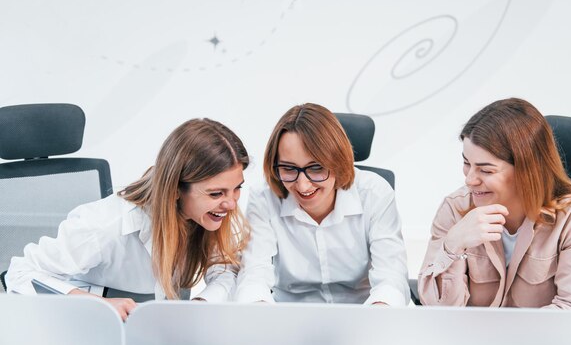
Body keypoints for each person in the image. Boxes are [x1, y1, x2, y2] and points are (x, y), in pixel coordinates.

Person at [6, 118, 250, 320]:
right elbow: (20, 273)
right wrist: (98, 305)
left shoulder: (207, 216)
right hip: (92, 332)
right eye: (216, 193)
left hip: (156, 330)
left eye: (236, 188)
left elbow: (225, 269)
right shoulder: (107, 224)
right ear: (175, 188)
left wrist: (202, 302)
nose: (231, 203)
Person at [418, 98, 571, 309]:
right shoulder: (455, 209)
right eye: (467, 163)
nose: (469, 179)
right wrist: (452, 246)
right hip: (469, 340)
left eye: (486, 170)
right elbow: (438, 313)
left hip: (541, 342)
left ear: (527, 170)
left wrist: (501, 338)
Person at [235, 103, 410, 306]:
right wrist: (260, 313)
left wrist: (375, 318)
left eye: (316, 168)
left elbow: (391, 277)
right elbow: (253, 274)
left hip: (363, 313)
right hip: (289, 317)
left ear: (338, 161)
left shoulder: (374, 193)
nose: (303, 185)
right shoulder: (265, 196)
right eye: (289, 168)